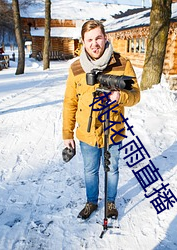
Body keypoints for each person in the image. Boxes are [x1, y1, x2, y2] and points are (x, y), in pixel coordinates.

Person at [62, 20, 140, 220]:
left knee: (112, 168)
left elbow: (136, 95)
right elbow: (70, 102)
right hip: (87, 132)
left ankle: (111, 202)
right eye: (90, 40)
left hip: (113, 129)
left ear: (105, 38)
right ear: (83, 42)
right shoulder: (76, 68)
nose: (94, 43)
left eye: (98, 38)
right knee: (90, 170)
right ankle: (91, 202)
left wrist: (120, 97)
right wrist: (67, 134)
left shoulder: (122, 64)